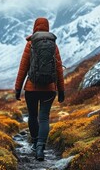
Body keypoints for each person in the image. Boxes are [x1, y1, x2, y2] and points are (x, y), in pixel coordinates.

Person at [14, 17, 65, 161]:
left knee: (32, 116)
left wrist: (18, 89)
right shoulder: (53, 45)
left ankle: (35, 143)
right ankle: (41, 149)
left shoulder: (30, 44)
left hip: (32, 88)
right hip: (49, 89)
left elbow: (23, 68)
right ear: (47, 27)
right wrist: (61, 90)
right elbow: (59, 70)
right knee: (44, 118)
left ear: (35, 27)